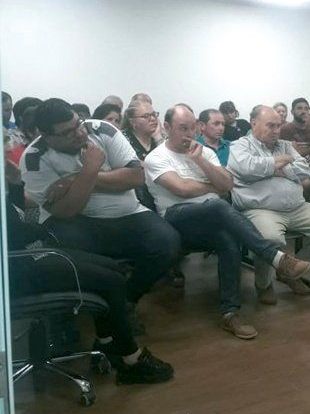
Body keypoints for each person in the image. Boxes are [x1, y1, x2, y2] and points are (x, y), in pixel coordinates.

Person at [144, 105, 310, 338]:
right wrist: (212, 186)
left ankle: (229, 313)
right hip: (176, 218)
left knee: (228, 239)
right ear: (167, 127)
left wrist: (201, 162)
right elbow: (181, 189)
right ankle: (274, 256)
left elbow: (226, 185)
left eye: (192, 129)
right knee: (218, 205)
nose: (189, 135)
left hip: (212, 218)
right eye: (183, 128)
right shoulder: (156, 157)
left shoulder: (204, 152)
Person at [20, 99, 181, 335]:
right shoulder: (34, 158)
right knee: (69, 245)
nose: (79, 133)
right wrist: (89, 169)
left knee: (168, 242)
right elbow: (66, 210)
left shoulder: (103, 130)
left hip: (127, 212)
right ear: (47, 137)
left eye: (78, 123)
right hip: (75, 221)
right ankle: (79, 313)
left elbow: (135, 177)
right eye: (67, 133)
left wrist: (75, 179)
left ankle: (125, 301)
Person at [6, 201, 174, 384]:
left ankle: (106, 341)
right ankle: (130, 357)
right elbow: (14, 234)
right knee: (112, 281)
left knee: (114, 268)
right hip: (18, 268)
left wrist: (16, 188)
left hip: (32, 255)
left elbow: (17, 217)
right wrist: (41, 229)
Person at [227, 106, 310, 304]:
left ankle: (290, 272)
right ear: (254, 123)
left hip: (297, 207)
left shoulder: (285, 145)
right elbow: (248, 168)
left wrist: (274, 168)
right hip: (260, 209)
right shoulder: (240, 146)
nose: (276, 130)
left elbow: (304, 170)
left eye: (278, 126)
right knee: (270, 238)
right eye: (270, 125)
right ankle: (263, 284)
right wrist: (281, 162)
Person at [280, 97, 310, 204]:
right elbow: (296, 153)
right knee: (308, 183)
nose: (303, 111)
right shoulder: (286, 129)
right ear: (292, 112)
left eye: (306, 108)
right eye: (299, 108)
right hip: (298, 169)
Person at [122, 102, 160, 210]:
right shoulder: (123, 139)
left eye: (154, 114)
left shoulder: (159, 139)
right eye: (146, 116)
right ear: (132, 121)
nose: (153, 119)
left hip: (159, 194)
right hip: (133, 197)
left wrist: (159, 138)